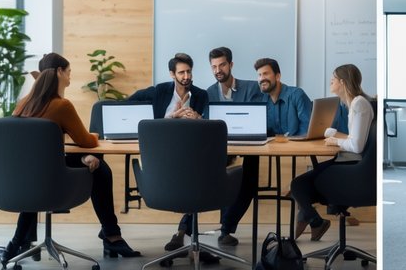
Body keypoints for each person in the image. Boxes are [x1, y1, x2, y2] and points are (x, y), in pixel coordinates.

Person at [9, 53, 141, 260]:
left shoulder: (23, 103)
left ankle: (20, 241)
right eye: (69, 72)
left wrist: (80, 157)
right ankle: (112, 235)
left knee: (90, 162)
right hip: (52, 177)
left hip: (24, 177)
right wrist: (94, 137)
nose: (70, 77)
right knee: (102, 169)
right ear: (59, 72)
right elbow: (87, 141)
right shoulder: (62, 105)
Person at [131, 54, 212, 253]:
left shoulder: (201, 95)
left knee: (199, 175)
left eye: (189, 71)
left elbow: (212, 125)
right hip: (162, 153)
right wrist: (173, 117)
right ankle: (184, 233)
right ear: (172, 74)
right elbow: (130, 103)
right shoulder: (160, 91)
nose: (186, 76)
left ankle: (183, 232)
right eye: (181, 72)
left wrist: (199, 118)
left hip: (192, 151)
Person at [289, 64, 373, 242]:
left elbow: (357, 146)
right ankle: (311, 221)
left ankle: (315, 222)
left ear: (342, 82)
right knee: (302, 186)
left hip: (353, 166)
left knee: (298, 185)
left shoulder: (359, 104)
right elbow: (355, 138)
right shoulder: (356, 103)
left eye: (333, 79)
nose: (330, 82)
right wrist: (334, 134)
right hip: (349, 162)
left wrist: (335, 140)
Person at [206, 46, 265, 247]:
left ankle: (226, 228)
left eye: (222, 64)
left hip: (248, 146)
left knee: (248, 179)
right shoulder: (209, 93)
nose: (218, 70)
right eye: (214, 66)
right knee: (211, 177)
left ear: (230, 65)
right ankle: (182, 231)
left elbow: (257, 121)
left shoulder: (251, 88)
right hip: (219, 148)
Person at [255, 57, 312, 137]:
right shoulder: (262, 101)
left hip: (297, 147)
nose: (261, 78)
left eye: (266, 74)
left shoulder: (297, 95)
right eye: (259, 75)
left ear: (277, 76)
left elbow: (307, 129)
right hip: (271, 147)